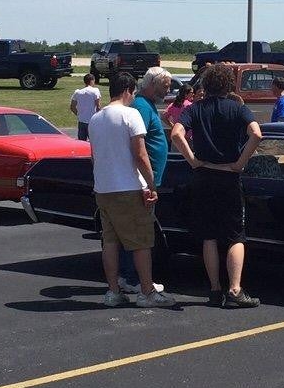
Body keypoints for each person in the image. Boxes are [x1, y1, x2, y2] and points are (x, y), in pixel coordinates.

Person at [171, 63, 263, 308]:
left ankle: (214, 289)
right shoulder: (237, 108)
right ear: (228, 85)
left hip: (203, 175)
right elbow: (256, 133)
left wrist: (192, 160)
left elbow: (177, 133)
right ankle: (235, 289)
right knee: (235, 236)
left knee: (209, 236)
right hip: (228, 176)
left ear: (206, 85)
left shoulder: (196, 109)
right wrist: (240, 162)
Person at [87, 73, 169, 307]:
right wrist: (151, 185)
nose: (134, 97)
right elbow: (141, 155)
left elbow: (94, 156)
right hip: (129, 187)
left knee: (111, 242)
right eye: (133, 93)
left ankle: (113, 291)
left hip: (104, 189)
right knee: (142, 242)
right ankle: (146, 292)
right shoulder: (130, 114)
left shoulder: (96, 118)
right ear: (127, 91)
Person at [116, 68, 173, 298]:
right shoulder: (140, 106)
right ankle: (132, 278)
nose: (168, 89)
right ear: (152, 83)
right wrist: (148, 181)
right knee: (138, 232)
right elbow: (137, 146)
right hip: (142, 182)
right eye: (165, 85)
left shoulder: (147, 105)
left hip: (147, 179)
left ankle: (129, 276)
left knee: (137, 231)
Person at [71, 73, 101, 141]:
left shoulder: (78, 92)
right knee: (94, 143)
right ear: (92, 81)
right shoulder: (95, 91)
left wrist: (78, 114)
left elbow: (72, 107)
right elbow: (98, 106)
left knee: (81, 143)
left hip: (81, 121)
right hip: (92, 121)